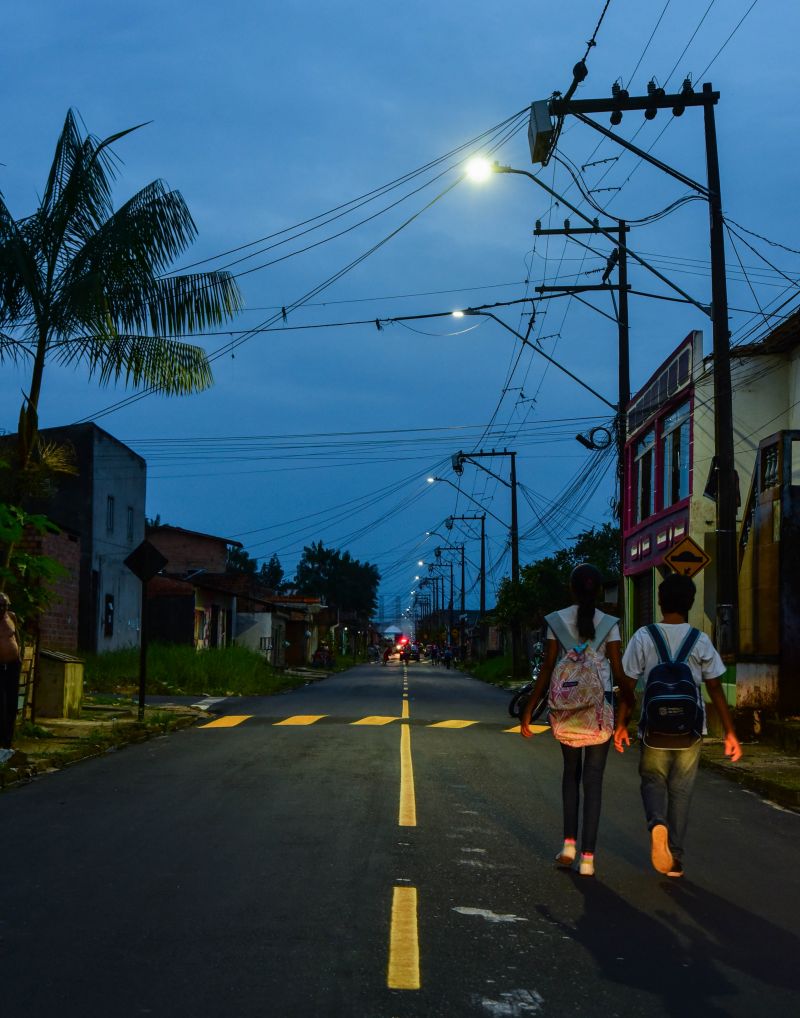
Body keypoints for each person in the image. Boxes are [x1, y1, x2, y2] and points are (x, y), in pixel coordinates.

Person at [614, 573, 742, 878]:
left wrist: (621, 724)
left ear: (659, 601)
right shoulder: (700, 640)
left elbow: (628, 685)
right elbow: (713, 688)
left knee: (652, 780)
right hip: (690, 729)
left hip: (654, 728)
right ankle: (676, 857)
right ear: (690, 603)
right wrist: (730, 732)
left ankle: (656, 822)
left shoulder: (644, 636)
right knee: (681, 790)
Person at [520, 564, 634, 877]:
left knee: (571, 774)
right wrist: (630, 701)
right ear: (598, 591)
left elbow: (546, 668)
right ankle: (588, 858)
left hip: (567, 711)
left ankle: (568, 844)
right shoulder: (610, 623)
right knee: (593, 781)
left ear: (571, 590)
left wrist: (531, 709)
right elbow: (618, 669)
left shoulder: (556, 621)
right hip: (598, 711)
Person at [0, 593, 22, 765]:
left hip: (13, 665)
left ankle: (8, 741)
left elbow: (16, 637)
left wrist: (18, 655)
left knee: (13, 703)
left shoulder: (11, 617)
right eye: (0, 606)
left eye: (5, 606)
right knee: (2, 703)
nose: (2, 609)